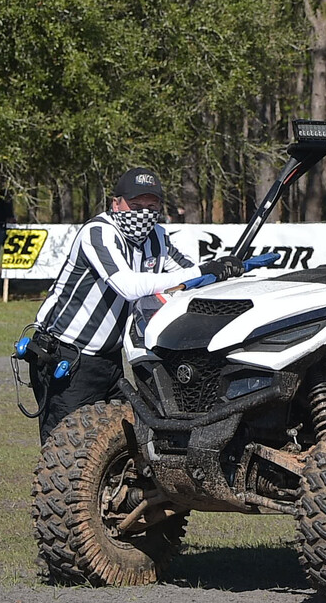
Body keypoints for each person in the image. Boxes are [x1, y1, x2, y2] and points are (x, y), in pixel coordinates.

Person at [28, 168, 208, 440]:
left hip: (110, 360)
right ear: (116, 203)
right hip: (66, 354)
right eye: (135, 205)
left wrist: (224, 270)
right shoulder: (98, 232)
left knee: (122, 439)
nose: (144, 213)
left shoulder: (157, 237)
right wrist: (197, 274)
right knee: (67, 445)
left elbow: (189, 274)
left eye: (152, 205)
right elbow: (128, 286)